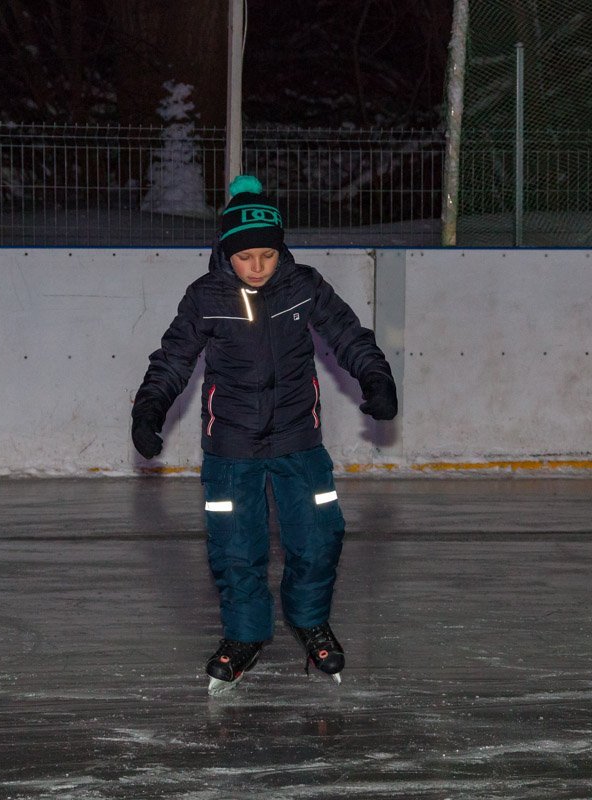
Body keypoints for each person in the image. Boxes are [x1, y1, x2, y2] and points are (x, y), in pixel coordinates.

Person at [130, 175, 398, 693]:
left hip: (299, 438)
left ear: (282, 251)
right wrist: (150, 411)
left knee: (319, 538)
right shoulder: (205, 296)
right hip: (231, 446)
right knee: (234, 549)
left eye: (268, 256)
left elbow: (347, 334)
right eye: (245, 256)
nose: (257, 268)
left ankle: (309, 622)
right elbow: (173, 360)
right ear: (225, 252)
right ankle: (244, 637)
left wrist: (376, 377)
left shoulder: (304, 286)